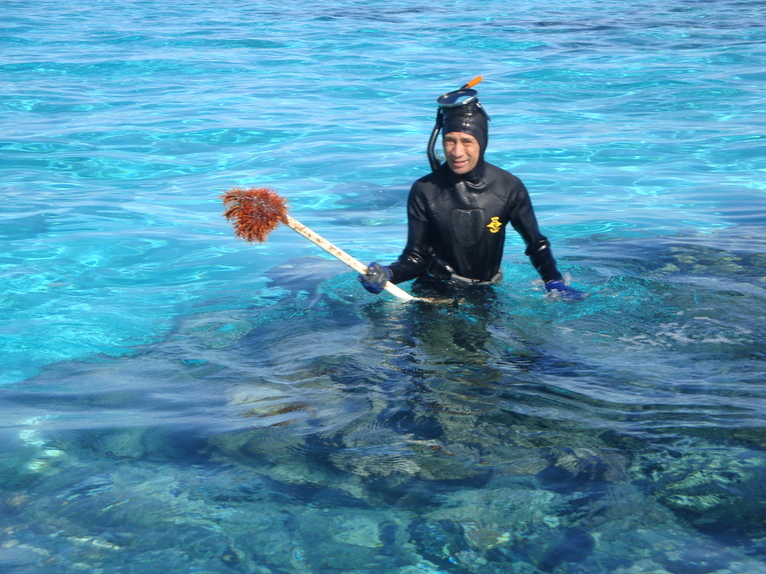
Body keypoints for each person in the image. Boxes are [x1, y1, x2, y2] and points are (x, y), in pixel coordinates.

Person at [359, 81, 582, 299]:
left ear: (482, 142)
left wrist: (553, 281)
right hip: (435, 290)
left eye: (467, 141)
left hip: (486, 290)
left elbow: (536, 245)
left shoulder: (508, 187)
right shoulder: (424, 190)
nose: (457, 151)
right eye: (449, 141)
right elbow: (415, 257)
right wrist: (388, 274)